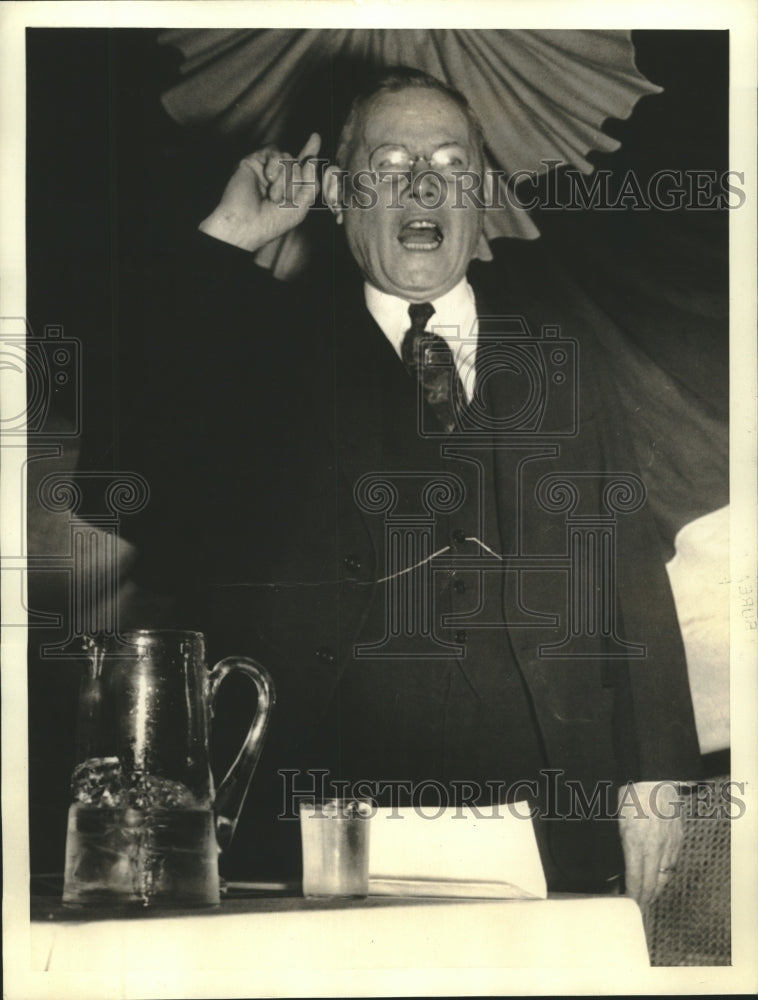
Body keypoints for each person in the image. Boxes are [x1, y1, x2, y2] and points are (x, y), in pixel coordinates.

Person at [120, 68, 702, 908]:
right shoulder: (259, 361)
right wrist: (228, 235)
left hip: (550, 822)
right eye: (389, 165)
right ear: (342, 196)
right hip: (316, 831)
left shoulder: (562, 362)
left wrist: (659, 781)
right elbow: (132, 454)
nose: (424, 182)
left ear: (482, 196)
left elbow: (629, 580)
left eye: (450, 163)